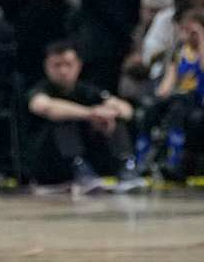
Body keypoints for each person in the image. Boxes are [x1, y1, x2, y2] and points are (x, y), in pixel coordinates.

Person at [24, 40, 145, 194]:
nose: (63, 71)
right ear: (46, 66)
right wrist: (90, 114)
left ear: (79, 65)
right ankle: (79, 168)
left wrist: (107, 115)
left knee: (113, 118)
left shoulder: (87, 90)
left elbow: (126, 110)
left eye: (68, 64)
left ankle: (126, 166)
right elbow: (43, 106)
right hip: (50, 163)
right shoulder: (39, 89)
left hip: (91, 156)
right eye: (57, 65)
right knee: (64, 117)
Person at [139, 6, 204, 179]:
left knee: (180, 109)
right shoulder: (179, 52)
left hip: (199, 100)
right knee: (151, 109)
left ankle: (174, 160)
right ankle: (143, 158)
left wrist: (202, 38)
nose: (188, 34)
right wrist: (160, 97)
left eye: (192, 31)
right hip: (180, 98)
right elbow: (168, 82)